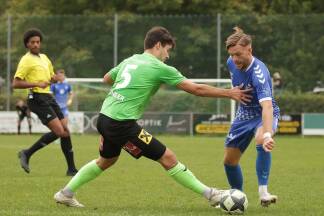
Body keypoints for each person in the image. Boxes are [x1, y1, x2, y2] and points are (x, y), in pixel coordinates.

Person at [53, 26, 252, 208]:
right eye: (167, 50)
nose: (167, 56)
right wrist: (229, 93)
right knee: (168, 158)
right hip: (121, 123)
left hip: (105, 118)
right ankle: (212, 195)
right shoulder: (159, 68)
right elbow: (196, 89)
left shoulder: (130, 60)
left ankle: (65, 193)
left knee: (106, 161)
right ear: (158, 45)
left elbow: (106, 78)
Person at [223, 27, 280, 207]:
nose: (235, 59)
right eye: (232, 55)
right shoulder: (231, 63)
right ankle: (237, 197)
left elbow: (268, 106)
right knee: (229, 162)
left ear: (250, 50)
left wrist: (268, 134)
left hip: (263, 113)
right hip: (243, 114)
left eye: (238, 54)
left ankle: (263, 192)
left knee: (260, 139)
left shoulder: (259, 73)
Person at [12, 28, 78, 176]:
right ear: (27, 44)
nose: (35, 44)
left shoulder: (44, 58)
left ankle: (71, 169)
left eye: (37, 42)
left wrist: (55, 78)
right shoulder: (26, 60)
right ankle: (26, 153)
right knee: (58, 132)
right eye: (32, 42)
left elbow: (49, 77)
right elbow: (15, 84)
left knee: (65, 131)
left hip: (48, 97)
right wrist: (35, 83)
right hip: (36, 99)